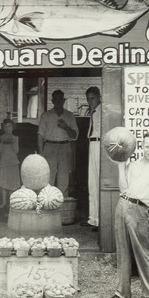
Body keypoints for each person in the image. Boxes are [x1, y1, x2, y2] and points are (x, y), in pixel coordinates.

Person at [107, 131, 149, 298]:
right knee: (122, 251)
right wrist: (121, 166)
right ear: (142, 146)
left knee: (143, 253)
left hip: (140, 210)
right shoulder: (133, 165)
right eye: (147, 146)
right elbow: (123, 189)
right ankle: (122, 293)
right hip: (122, 205)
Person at [37, 89, 79, 197]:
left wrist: (65, 126)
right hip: (49, 147)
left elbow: (75, 136)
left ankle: (62, 201)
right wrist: (41, 152)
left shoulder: (69, 116)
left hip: (65, 147)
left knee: (63, 176)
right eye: (56, 99)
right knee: (48, 175)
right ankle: (47, 199)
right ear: (52, 100)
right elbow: (40, 134)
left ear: (64, 100)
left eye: (60, 99)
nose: (58, 102)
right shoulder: (46, 115)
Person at [80, 86, 101, 232]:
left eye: (92, 98)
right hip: (92, 144)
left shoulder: (103, 111)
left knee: (99, 182)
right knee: (92, 183)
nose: (90, 101)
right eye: (88, 99)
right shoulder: (92, 112)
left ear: (99, 97)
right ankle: (93, 218)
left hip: (100, 144)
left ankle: (101, 220)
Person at [0, 118, 21, 208]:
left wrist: (13, 141)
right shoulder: (1, 137)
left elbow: (16, 151)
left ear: (13, 128)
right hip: (4, 162)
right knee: (4, 184)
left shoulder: (16, 138)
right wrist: (2, 142)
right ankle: (3, 202)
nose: (7, 128)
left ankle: (11, 203)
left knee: (12, 184)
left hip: (13, 162)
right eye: (5, 127)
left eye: (9, 126)